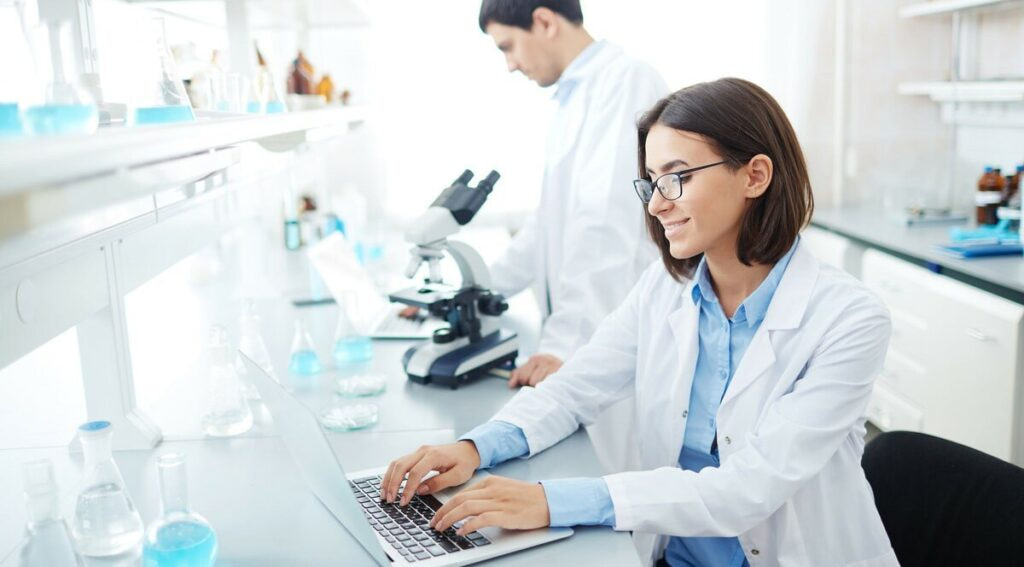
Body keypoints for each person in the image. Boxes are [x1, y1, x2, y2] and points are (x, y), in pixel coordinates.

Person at [382, 78, 898, 567]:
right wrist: (473, 448)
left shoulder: (849, 319)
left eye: (677, 177)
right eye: (651, 183)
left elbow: (748, 489)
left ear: (755, 176)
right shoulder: (664, 289)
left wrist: (550, 501)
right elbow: (573, 390)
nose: (656, 203)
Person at [477, 0, 667, 388]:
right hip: (587, 332)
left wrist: (562, 346)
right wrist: (475, 291)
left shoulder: (624, 81)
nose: (510, 64)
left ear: (544, 21)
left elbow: (604, 223)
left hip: (612, 333)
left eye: (507, 46)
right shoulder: (573, 97)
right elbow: (545, 225)